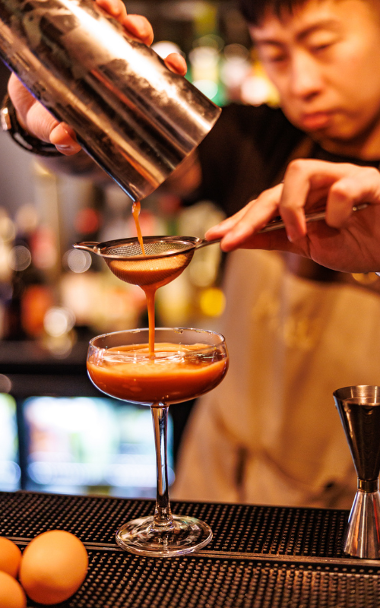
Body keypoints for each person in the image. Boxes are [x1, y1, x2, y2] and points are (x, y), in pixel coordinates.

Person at [4, 0, 380, 508]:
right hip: (211, 497)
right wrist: (57, 118)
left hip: (343, 520)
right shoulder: (262, 141)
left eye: (321, 45)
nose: (303, 81)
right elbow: (139, 160)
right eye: (275, 53)